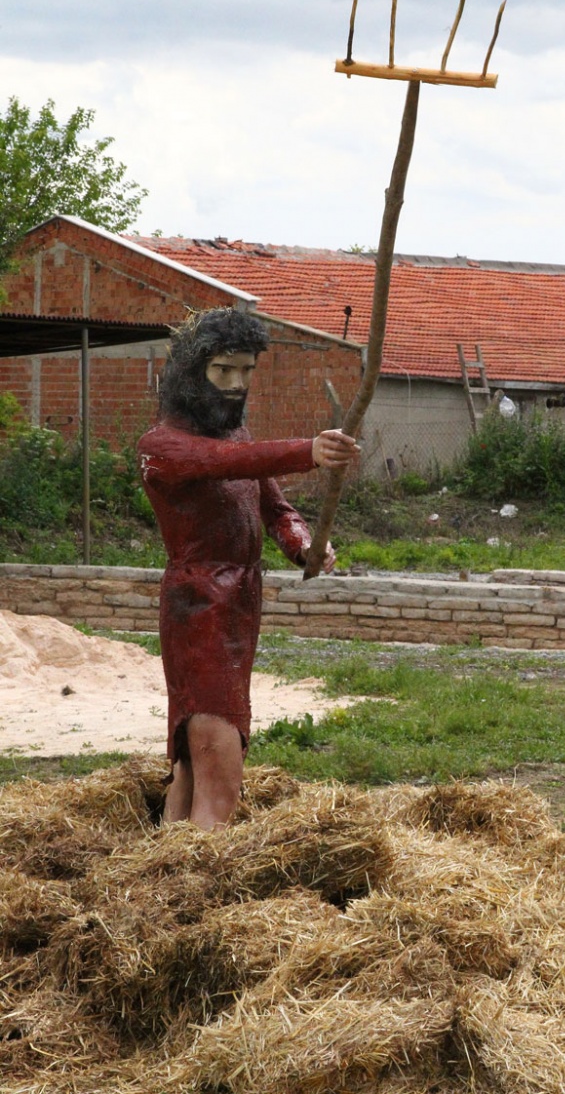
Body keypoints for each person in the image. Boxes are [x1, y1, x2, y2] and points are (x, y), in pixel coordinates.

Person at [137, 306, 359, 830]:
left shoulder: (236, 440)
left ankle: (173, 857)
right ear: (193, 372)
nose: (237, 384)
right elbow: (229, 463)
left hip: (239, 600)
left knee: (195, 762)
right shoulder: (162, 447)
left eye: (246, 371)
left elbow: (276, 508)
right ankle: (202, 870)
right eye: (223, 371)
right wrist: (308, 449)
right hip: (199, 603)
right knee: (216, 754)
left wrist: (304, 545)